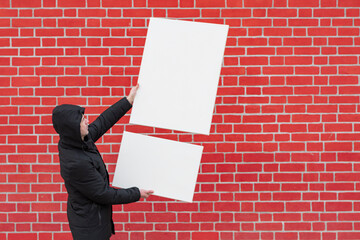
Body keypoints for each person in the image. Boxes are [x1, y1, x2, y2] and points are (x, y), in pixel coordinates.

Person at [52, 84, 153, 240]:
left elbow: (103, 122)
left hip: (93, 218)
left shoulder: (75, 140)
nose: (87, 121)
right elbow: (104, 194)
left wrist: (128, 101)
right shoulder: (76, 163)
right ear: (72, 128)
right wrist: (137, 193)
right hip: (90, 229)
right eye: (82, 120)